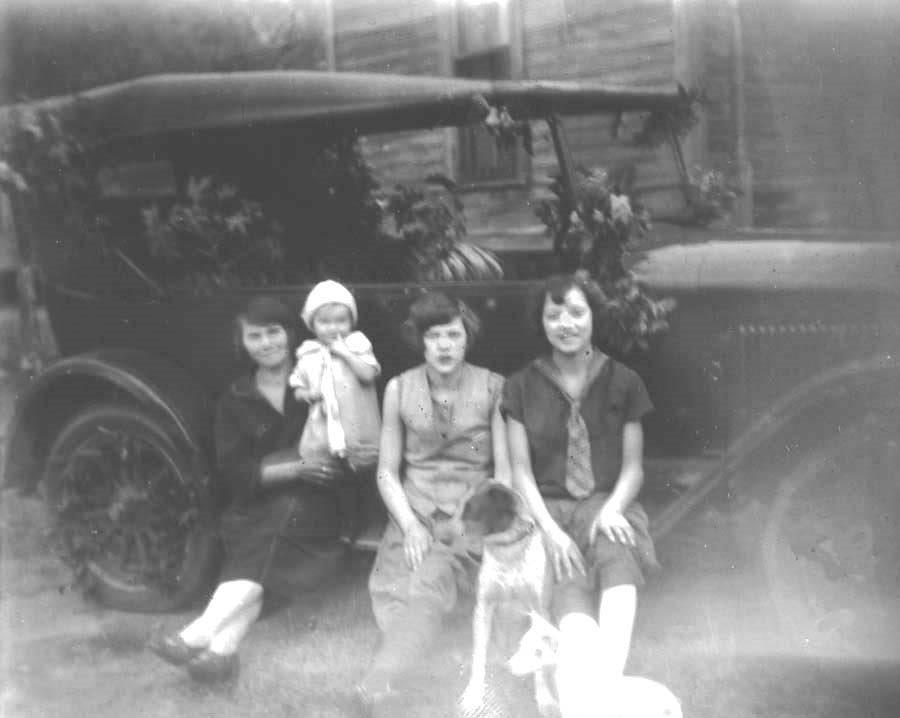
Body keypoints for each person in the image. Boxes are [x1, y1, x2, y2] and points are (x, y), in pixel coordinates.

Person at [148, 296, 342, 683]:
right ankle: (220, 653)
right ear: (243, 342)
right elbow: (235, 475)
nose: (267, 342)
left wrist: (309, 468)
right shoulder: (235, 398)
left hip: (320, 502)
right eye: (255, 335)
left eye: (274, 331)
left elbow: (345, 440)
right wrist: (296, 468)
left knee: (278, 523)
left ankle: (199, 634)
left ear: (290, 334)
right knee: (263, 540)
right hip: (257, 503)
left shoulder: (321, 379)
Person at [501, 273, 659, 718]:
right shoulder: (520, 386)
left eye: (575, 312)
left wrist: (612, 509)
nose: (565, 323)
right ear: (542, 322)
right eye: (554, 315)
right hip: (546, 507)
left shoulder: (624, 380)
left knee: (616, 550)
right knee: (565, 573)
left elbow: (633, 467)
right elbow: (520, 472)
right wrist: (549, 531)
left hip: (604, 498)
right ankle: (583, 687)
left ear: (592, 317)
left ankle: (607, 686)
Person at [357, 292, 509, 711]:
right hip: (417, 513)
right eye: (434, 336)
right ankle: (389, 681)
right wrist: (408, 525)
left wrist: (476, 516)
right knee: (400, 595)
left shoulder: (495, 387)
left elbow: (506, 472)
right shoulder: (399, 388)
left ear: (467, 339)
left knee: (435, 584)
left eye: (453, 335)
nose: (444, 345)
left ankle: (382, 679)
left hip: (473, 513)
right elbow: (387, 471)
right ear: (420, 341)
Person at [289, 279, 381, 472]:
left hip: (359, 428)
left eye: (341, 321)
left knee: (362, 468)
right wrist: (307, 394)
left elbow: (368, 374)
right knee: (325, 470)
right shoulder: (308, 352)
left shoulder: (357, 344)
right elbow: (297, 387)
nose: (333, 328)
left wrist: (344, 352)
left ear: (351, 321)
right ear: (312, 324)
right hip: (322, 432)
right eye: (325, 322)